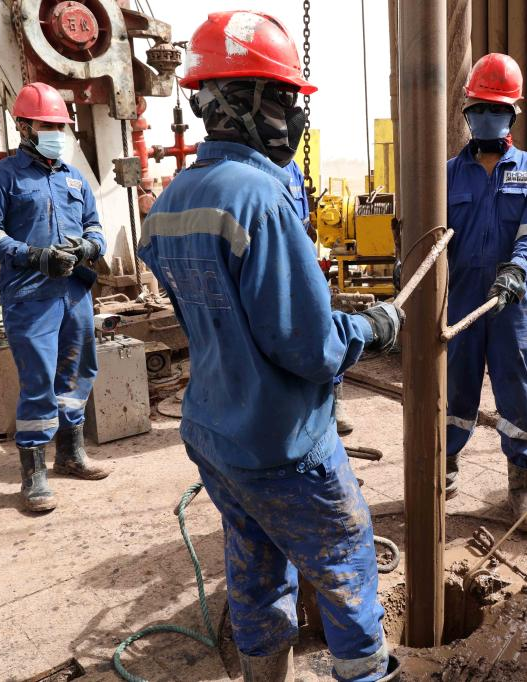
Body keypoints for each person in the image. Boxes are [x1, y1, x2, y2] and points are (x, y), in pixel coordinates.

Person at [139, 11, 400, 682]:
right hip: (280, 443)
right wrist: (371, 328)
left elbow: (210, 317)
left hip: (213, 432)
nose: (294, 114)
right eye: (284, 98)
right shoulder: (259, 198)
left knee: (254, 562)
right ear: (240, 101)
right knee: (344, 561)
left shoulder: (170, 201)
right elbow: (309, 348)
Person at [0, 82, 112, 513]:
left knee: (78, 373)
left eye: (59, 126)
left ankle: (71, 454)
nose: (56, 132)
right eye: (47, 125)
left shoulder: (74, 178)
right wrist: (34, 256)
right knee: (38, 381)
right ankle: (33, 475)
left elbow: (95, 227)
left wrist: (88, 247)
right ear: (23, 126)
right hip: (30, 296)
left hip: (74, 293)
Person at [444, 53, 527, 533]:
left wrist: (518, 267)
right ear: (467, 112)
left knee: (517, 392)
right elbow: (431, 237)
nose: (487, 117)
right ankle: (445, 467)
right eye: (479, 109)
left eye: (496, 109)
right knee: (455, 387)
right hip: (463, 298)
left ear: (513, 113)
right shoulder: (448, 173)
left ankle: (521, 485)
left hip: (515, 301)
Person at [286, 160, 354, 435]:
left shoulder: (292, 169)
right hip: (269, 264)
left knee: (322, 323)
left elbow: (304, 225)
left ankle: (335, 399)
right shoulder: (247, 168)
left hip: (300, 262)